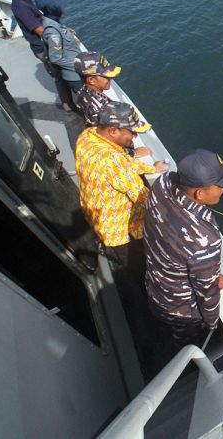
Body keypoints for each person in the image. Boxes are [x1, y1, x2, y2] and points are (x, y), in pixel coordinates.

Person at [75, 101, 167, 375]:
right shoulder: (112, 159)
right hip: (120, 232)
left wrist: (146, 166)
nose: (134, 137)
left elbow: (121, 166)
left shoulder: (88, 136)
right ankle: (153, 333)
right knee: (138, 274)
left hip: (97, 218)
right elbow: (143, 197)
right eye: (130, 132)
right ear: (113, 131)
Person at [143, 149, 223, 347]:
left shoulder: (163, 183)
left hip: (153, 286)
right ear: (199, 193)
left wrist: (210, 274)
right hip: (179, 310)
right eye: (220, 185)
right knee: (185, 343)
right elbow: (207, 294)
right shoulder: (204, 239)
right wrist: (212, 323)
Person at [7, 0, 75, 111]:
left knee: (61, 75)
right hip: (43, 48)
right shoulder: (20, 6)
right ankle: (68, 105)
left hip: (46, 44)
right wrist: (63, 35)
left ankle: (68, 103)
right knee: (61, 74)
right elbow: (40, 30)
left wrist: (62, 29)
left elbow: (41, 18)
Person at [35, 0, 83, 93]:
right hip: (75, 75)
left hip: (77, 71)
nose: (63, 9)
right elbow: (56, 58)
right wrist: (78, 66)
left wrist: (66, 31)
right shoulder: (52, 31)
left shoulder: (53, 22)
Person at [74, 51, 121, 126]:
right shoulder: (103, 109)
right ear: (91, 80)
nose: (110, 78)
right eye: (106, 76)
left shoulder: (82, 91)